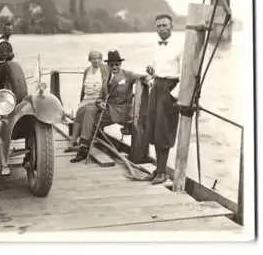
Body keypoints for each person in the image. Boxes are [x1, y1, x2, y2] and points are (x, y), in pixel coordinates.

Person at [70, 50, 146, 163]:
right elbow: (101, 95)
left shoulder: (128, 75)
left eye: (117, 64)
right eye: (111, 65)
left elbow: (144, 77)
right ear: (108, 65)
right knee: (87, 109)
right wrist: (100, 102)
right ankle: (83, 146)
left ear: (120, 64)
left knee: (89, 118)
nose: (114, 67)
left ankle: (83, 147)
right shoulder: (107, 76)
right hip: (107, 108)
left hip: (120, 111)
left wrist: (148, 77)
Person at [142, 14, 183, 185]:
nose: (161, 29)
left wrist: (174, 95)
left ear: (171, 26)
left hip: (170, 89)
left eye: (165, 25)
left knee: (164, 131)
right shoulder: (157, 46)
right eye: (158, 26)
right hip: (157, 87)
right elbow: (160, 69)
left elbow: (185, 74)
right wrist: (152, 72)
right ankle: (158, 169)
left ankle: (163, 172)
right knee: (153, 129)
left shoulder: (180, 46)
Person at [64, 50, 108, 153]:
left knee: (86, 111)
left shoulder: (104, 69)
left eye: (97, 58)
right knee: (79, 112)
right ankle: (73, 141)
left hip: (97, 98)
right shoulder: (87, 70)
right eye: (93, 58)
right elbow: (83, 88)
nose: (95, 60)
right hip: (87, 98)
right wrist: (81, 100)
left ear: (101, 59)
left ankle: (82, 142)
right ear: (90, 60)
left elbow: (110, 80)